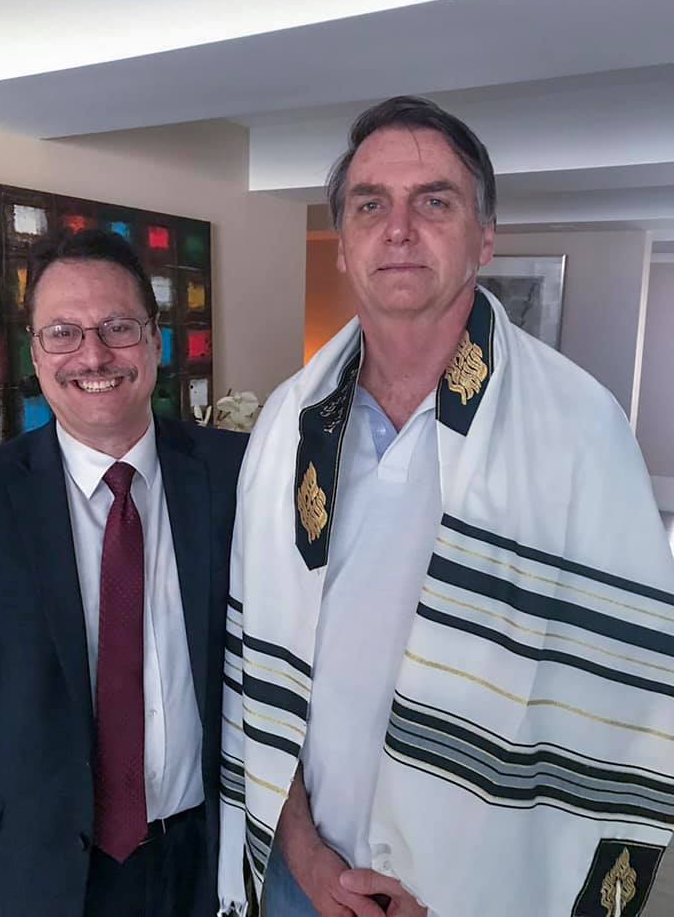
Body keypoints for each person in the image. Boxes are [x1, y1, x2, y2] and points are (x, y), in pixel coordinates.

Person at [218, 96, 674, 917]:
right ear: (343, 245)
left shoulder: (580, 427)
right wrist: (306, 856)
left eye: (433, 201)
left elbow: (624, 693)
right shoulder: (287, 425)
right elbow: (257, 665)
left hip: (485, 889)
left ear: (484, 237)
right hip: (304, 877)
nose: (398, 229)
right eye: (370, 205)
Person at [0, 228, 245, 917]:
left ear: (154, 342)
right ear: (35, 353)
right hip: (22, 871)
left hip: (201, 862)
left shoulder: (240, 475)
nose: (93, 355)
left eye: (118, 327)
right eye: (63, 333)